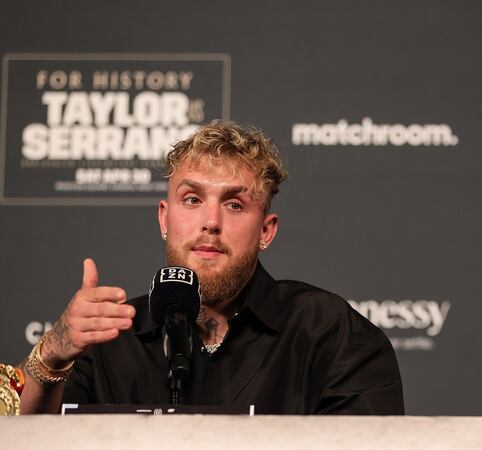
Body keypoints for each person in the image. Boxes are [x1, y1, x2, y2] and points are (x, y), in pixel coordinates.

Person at [20, 121, 404, 414]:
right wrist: (54, 353)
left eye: (235, 204)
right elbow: (28, 440)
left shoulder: (330, 333)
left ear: (266, 231)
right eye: (192, 199)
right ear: (164, 219)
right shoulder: (107, 339)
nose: (211, 221)